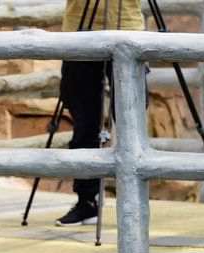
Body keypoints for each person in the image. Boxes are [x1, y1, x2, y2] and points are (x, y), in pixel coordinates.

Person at [55, 0, 144, 226]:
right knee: (84, 120)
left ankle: (136, 204)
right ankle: (87, 200)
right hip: (79, 30)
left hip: (126, 29)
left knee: (131, 122)